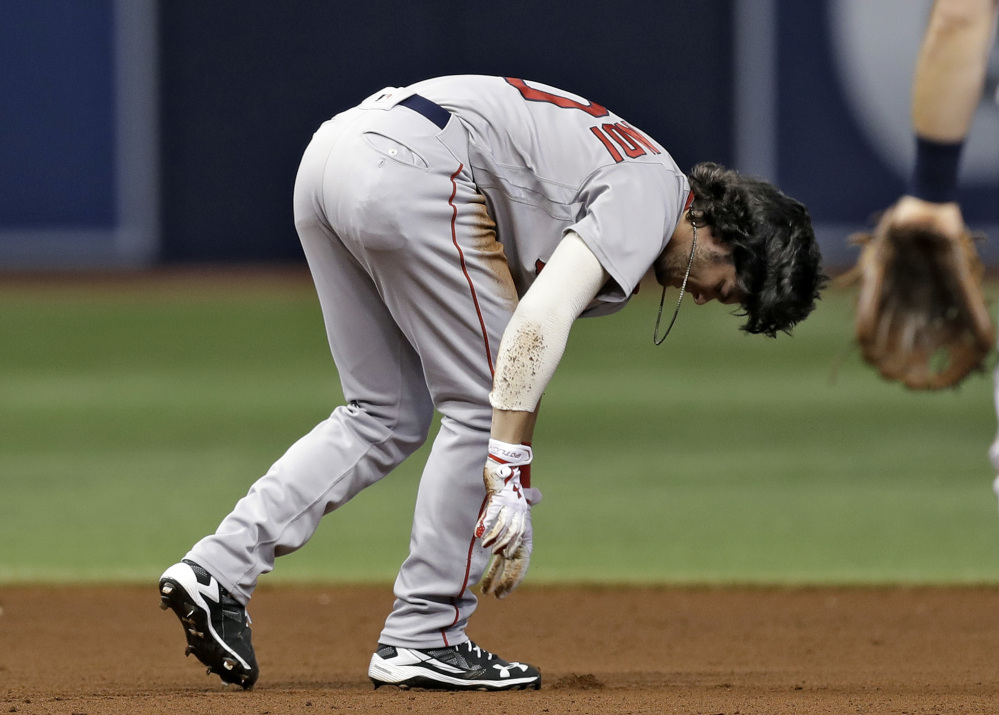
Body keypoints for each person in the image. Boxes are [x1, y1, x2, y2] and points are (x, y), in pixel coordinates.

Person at [157, 75, 825, 691]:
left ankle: (218, 569)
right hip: (413, 170)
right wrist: (508, 468)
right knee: (480, 409)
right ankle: (426, 635)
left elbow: (515, 329)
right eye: (731, 280)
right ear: (722, 228)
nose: (714, 295)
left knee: (381, 412)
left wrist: (513, 470)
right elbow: (536, 320)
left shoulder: (640, 177)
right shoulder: (653, 197)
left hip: (336, 154)